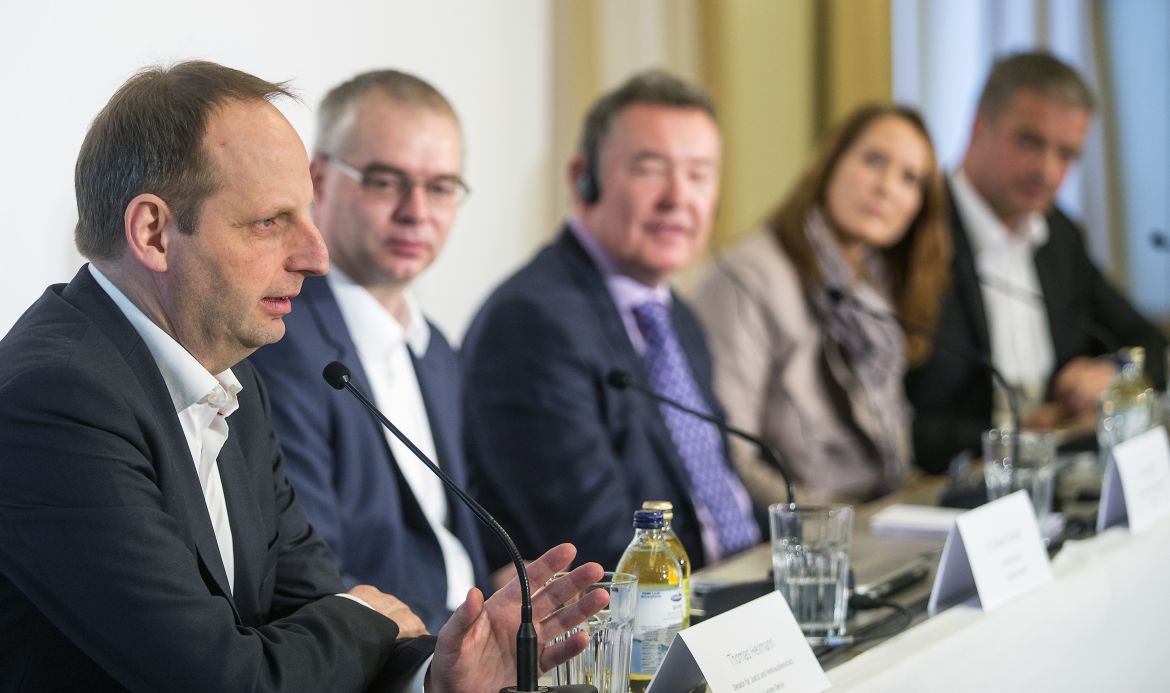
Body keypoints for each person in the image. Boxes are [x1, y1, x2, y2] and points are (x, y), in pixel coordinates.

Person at [0, 60, 604, 692]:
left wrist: (433, 674)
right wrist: (363, 618)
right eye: (269, 222)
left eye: (307, 215)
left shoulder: (234, 383)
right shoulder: (56, 401)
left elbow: (308, 606)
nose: (316, 256)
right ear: (153, 232)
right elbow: (223, 680)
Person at [461, 70, 761, 573]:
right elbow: (597, 547)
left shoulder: (677, 315)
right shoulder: (532, 322)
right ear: (584, 180)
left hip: (735, 585)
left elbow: (720, 489)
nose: (678, 198)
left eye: (699, 175)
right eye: (650, 169)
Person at [249, 70, 488, 634]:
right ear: (319, 181)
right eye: (385, 181)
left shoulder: (436, 349)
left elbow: (452, 533)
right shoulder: (283, 342)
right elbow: (311, 576)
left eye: (441, 187)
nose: (417, 211)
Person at [905, 51, 1169, 472]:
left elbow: (1148, 342)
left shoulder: (1058, 235)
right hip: (942, 485)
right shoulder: (916, 227)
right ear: (978, 128)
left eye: (1066, 154)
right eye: (1030, 142)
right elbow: (896, 423)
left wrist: (1113, 373)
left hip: (1051, 478)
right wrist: (1013, 437)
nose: (1047, 172)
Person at [691, 104, 950, 505]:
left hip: (874, 522)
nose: (886, 187)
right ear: (830, 163)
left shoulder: (877, 285)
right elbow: (729, 460)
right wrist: (836, 527)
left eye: (910, 179)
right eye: (874, 160)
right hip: (796, 539)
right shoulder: (747, 277)